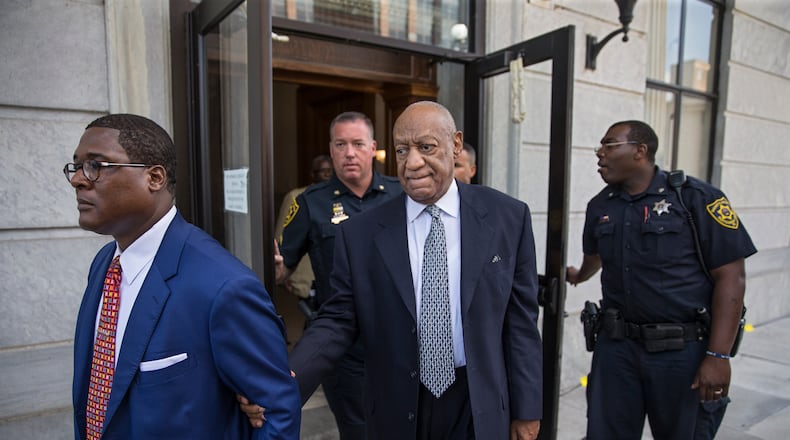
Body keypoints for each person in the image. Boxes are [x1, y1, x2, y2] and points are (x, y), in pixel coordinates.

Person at [244, 101, 543, 439]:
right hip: (397, 407)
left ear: (456, 144)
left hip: (479, 403)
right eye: (402, 150)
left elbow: (520, 324)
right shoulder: (360, 233)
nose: (413, 162)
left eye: (426, 147)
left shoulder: (508, 218)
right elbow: (337, 320)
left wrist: (527, 409)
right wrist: (286, 379)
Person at [67, 114, 301, 439]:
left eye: (96, 166)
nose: (79, 179)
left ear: (154, 177)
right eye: (76, 166)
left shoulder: (223, 286)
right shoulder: (104, 265)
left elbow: (277, 413)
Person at [566, 120, 757, 439]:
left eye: (609, 145)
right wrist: (576, 275)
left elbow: (731, 278)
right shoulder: (600, 206)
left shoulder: (695, 198)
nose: (600, 153)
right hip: (617, 350)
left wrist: (718, 356)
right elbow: (594, 257)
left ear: (640, 151)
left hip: (681, 354)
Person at [275, 112, 402, 439]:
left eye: (358, 144)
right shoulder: (309, 204)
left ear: (372, 148)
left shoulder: (401, 195)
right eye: (341, 144)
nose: (349, 152)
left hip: (398, 338)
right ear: (331, 150)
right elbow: (283, 267)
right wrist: (274, 267)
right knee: (358, 429)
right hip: (344, 345)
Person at [274, 155, 332, 301]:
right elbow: (282, 234)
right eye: (323, 171)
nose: (327, 174)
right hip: (302, 269)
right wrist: (286, 271)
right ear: (312, 174)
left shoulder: (337, 198)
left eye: (330, 171)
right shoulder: (298, 197)